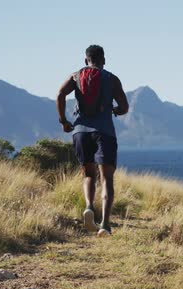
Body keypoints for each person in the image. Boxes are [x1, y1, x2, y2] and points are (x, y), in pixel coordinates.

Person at [55, 45, 129, 237]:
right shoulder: (112, 79)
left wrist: (64, 121)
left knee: (88, 174)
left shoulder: (75, 76)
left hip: (80, 132)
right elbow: (124, 107)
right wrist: (113, 110)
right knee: (107, 179)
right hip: (104, 132)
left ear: (85, 60)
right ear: (103, 60)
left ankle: (89, 206)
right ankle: (104, 224)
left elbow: (60, 95)